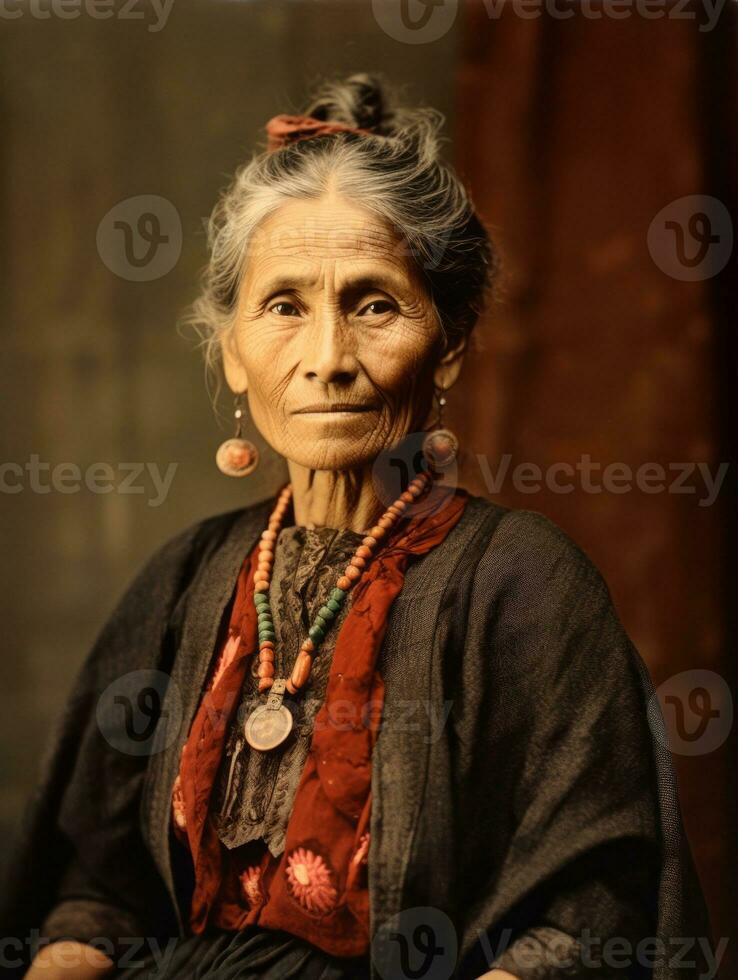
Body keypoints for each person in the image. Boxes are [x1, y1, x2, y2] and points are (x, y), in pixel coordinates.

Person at [2, 74, 710, 980]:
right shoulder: (183, 581)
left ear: (448, 343)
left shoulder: (526, 585)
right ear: (230, 350)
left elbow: (586, 920)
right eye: (284, 307)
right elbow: (96, 888)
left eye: (374, 304)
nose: (329, 359)